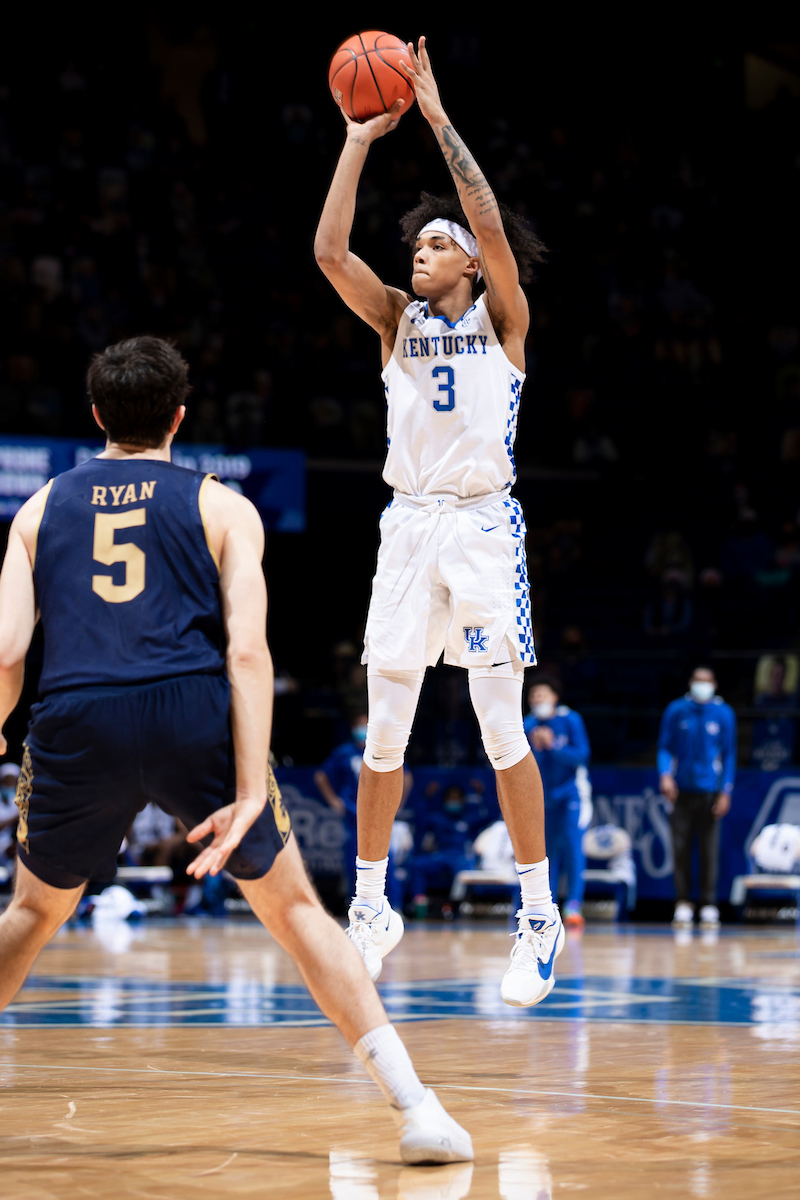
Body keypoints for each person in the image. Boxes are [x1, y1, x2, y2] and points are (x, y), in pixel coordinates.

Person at [0, 336, 471, 1166]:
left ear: (98, 416)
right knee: (294, 912)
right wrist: (249, 785)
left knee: (34, 914)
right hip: (191, 710)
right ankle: (418, 1109)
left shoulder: (40, 510)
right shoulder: (222, 506)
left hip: (76, 714)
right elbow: (248, 652)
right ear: (180, 418)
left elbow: (6, 655)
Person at [315, 37, 562, 1007]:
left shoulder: (502, 318)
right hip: (406, 527)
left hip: (480, 528)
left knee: (502, 730)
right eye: (415, 244)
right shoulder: (394, 322)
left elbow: (492, 226)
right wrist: (355, 139)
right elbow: (330, 252)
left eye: (433, 243)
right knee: (385, 734)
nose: (417, 251)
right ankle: (370, 907)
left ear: (466, 261)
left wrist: (433, 114)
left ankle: (536, 916)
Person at [657, 666, 737, 928]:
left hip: (710, 791)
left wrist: (726, 789)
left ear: (714, 684)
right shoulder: (676, 710)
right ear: (691, 683)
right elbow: (665, 747)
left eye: (707, 681)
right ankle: (682, 903)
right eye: (698, 681)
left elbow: (729, 754)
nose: (702, 685)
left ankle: (709, 904)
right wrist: (666, 775)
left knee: (709, 850)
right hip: (681, 790)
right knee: (680, 849)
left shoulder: (724, 713)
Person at [523, 675, 591, 929]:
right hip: (542, 798)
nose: (537, 700)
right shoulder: (526, 724)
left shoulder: (570, 720)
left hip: (572, 795)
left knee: (573, 848)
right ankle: (547, 905)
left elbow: (582, 756)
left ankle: (574, 904)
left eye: (542, 695)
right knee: (545, 853)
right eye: (533, 696)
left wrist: (553, 747)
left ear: (554, 698)